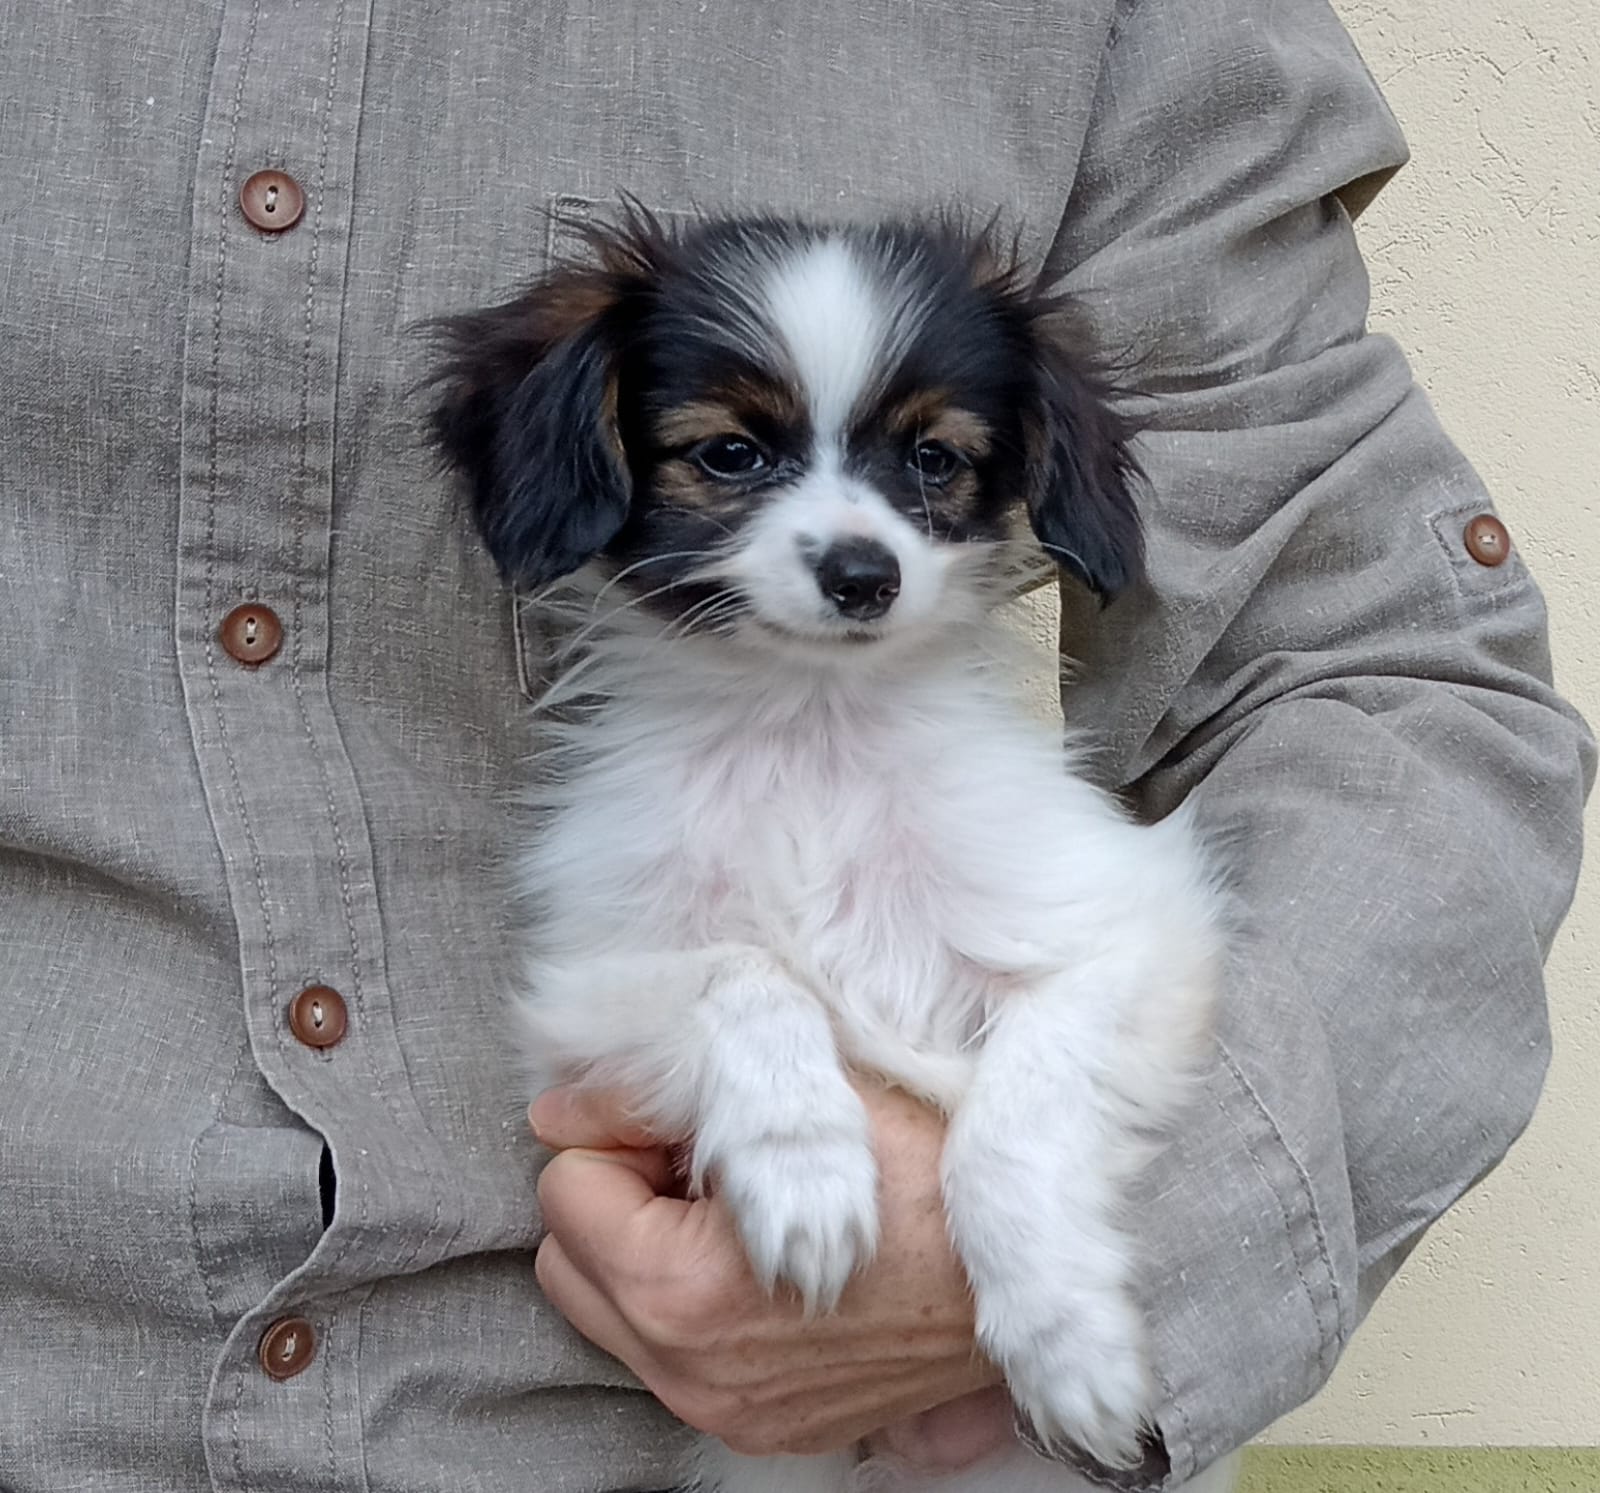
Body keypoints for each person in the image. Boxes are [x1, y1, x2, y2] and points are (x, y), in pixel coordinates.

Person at [0, 2, 1590, 1491]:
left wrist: (1014, 1218)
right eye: (736, 456)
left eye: (929, 465)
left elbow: (1208, 875)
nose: (851, 537)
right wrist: (750, 1049)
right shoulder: (631, 812)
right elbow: (597, 1029)